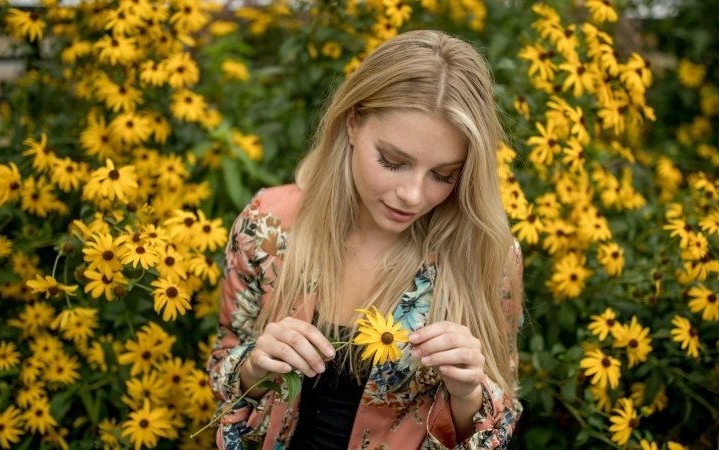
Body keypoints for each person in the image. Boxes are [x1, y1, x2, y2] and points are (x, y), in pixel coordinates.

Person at [206, 29, 526, 450]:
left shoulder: (485, 254)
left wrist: (467, 393)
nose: (413, 194)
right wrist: (253, 366)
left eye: (443, 174)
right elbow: (223, 372)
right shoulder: (269, 227)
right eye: (393, 162)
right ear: (352, 121)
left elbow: (498, 425)